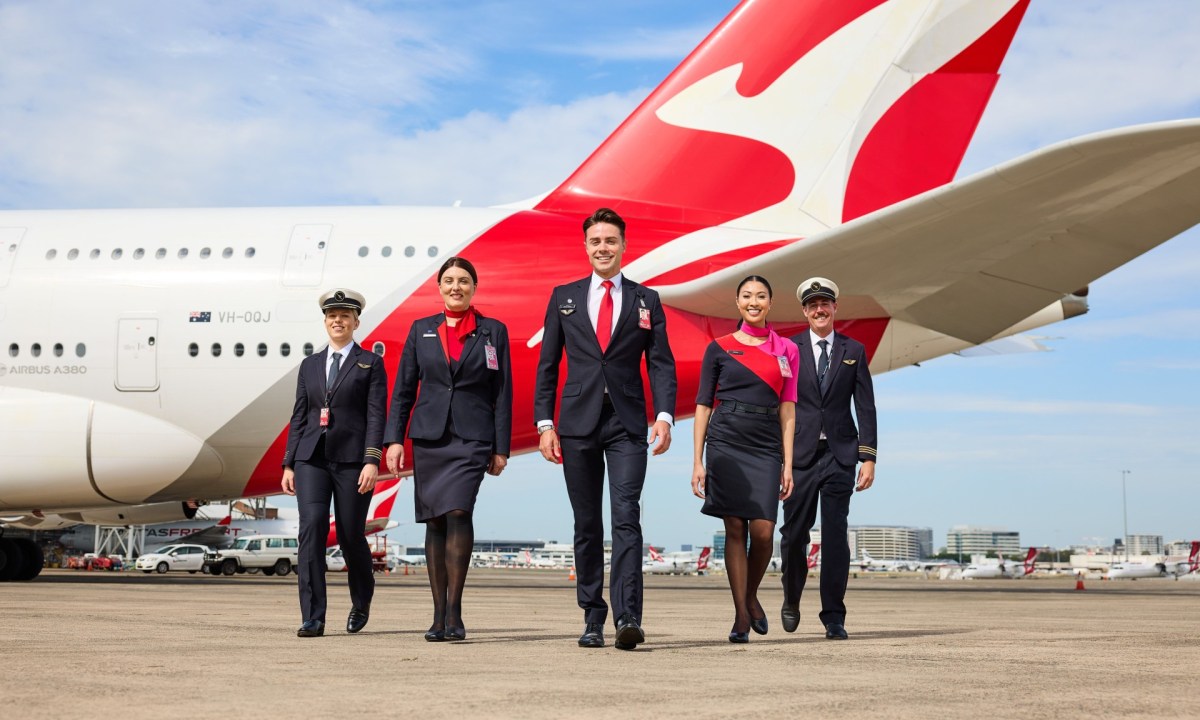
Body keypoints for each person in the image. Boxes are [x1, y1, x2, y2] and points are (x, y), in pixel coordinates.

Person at [534, 207, 677, 651]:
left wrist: (665, 416)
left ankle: (629, 616)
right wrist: (544, 423)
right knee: (586, 524)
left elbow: (660, 363)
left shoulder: (645, 299)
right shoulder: (564, 297)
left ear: (623, 245)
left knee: (626, 517)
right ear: (586, 246)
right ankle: (593, 617)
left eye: (610, 241)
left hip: (627, 423)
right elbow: (548, 365)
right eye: (595, 241)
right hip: (576, 424)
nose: (603, 248)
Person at [384, 257, 512, 642]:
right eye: (449, 281)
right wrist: (394, 440)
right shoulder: (421, 330)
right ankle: (437, 615)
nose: (456, 287)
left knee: (458, 510)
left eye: (464, 281)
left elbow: (502, 393)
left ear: (474, 287)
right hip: (429, 438)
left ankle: (454, 613)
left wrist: (500, 447)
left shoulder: (493, 331)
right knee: (435, 521)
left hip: (472, 438)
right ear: (439, 287)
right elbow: (404, 390)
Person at [692, 276, 796, 643]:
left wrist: (788, 463)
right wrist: (698, 461)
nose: (754, 302)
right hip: (726, 439)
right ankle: (740, 616)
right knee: (734, 528)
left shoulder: (786, 350)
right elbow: (703, 405)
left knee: (764, 532)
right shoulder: (718, 348)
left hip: (766, 443)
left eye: (761, 296)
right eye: (747, 296)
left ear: (770, 303)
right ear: (737, 302)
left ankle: (751, 596)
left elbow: (788, 410)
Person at [281, 289, 387, 638]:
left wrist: (372, 460)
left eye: (344, 316)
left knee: (349, 533)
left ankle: (361, 599)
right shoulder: (310, 365)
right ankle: (313, 616)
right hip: (311, 458)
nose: (337, 321)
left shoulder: (370, 363)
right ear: (325, 321)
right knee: (310, 528)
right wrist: (288, 464)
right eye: (332, 316)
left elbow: (376, 416)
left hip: (352, 461)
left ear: (356, 322)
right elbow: (299, 416)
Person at [779, 277, 877, 640]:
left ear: (835, 307)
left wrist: (868, 457)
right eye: (812, 305)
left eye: (825, 303)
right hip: (799, 457)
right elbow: (781, 405)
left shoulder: (855, 349)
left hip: (840, 456)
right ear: (805, 311)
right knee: (793, 535)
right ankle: (791, 598)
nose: (820, 309)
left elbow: (864, 405)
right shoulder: (788, 349)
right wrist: (780, 459)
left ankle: (834, 617)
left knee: (836, 537)